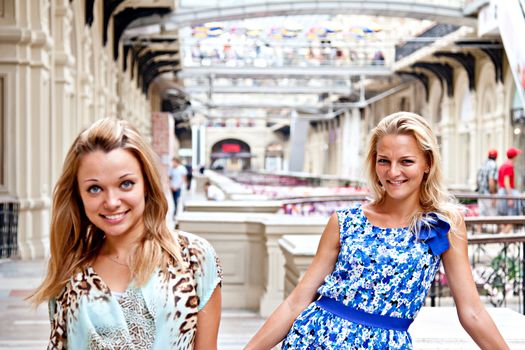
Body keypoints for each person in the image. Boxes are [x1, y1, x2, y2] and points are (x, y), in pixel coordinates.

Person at [245, 112, 508, 349]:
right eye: (384, 161)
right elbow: (296, 302)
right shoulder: (345, 221)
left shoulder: (445, 224)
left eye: (406, 161)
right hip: (315, 338)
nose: (393, 172)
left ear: (427, 163)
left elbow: (472, 312)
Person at [30, 118, 222, 349]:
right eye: (94, 188)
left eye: (126, 184)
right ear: (78, 196)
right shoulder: (69, 267)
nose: (111, 202)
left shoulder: (193, 257)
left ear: (147, 184)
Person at [497, 147, 522, 233]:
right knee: (513, 218)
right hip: (507, 192)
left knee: (503, 217)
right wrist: (510, 197)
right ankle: (502, 236)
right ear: (514, 156)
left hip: (502, 192)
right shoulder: (509, 166)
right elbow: (506, 182)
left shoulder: (503, 165)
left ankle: (502, 236)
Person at [476, 149, 498, 216]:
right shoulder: (493, 165)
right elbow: (491, 180)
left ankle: (479, 227)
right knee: (492, 216)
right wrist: (493, 195)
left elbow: (477, 179)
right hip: (488, 194)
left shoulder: (483, 164)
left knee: (481, 215)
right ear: (496, 157)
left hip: (480, 193)